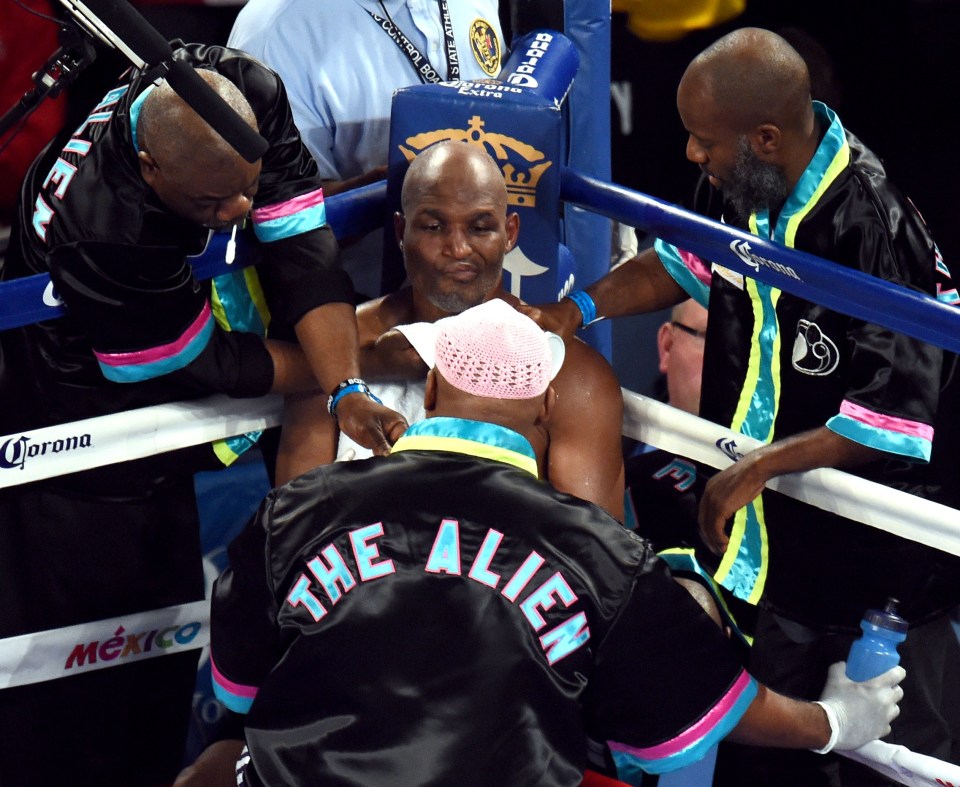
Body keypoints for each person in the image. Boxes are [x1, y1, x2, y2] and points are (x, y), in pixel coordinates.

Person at [206, 298, 904, 786]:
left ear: (431, 384)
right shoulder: (599, 552)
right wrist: (837, 720)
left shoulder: (294, 511)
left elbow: (238, 691)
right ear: (545, 404)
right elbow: (710, 707)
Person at [528, 26, 960, 784]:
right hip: (772, 551)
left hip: (881, 560)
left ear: (763, 137)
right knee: (777, 757)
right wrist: (582, 309)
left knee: (902, 764)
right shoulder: (743, 178)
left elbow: (892, 420)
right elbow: (682, 264)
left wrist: (757, 467)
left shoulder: (873, 226)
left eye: (704, 141)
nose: (692, 155)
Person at [0, 44, 404, 786]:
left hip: (157, 452)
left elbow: (299, 245)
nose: (237, 215)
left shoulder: (238, 92)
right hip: (74, 448)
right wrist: (363, 363)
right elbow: (212, 365)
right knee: (71, 691)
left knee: (159, 666)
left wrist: (343, 386)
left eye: (243, 189)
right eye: (212, 207)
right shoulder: (105, 228)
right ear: (154, 171)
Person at [279, 140, 626, 519]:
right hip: (358, 573)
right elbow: (296, 525)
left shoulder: (570, 374)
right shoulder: (333, 355)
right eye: (434, 226)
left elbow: (592, 553)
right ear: (400, 230)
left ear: (510, 233)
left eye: (480, 228)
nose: (458, 248)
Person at [227, 0, 506, 299]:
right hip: (353, 320)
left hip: (490, 303)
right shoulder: (274, 32)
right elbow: (268, 221)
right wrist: (389, 191)